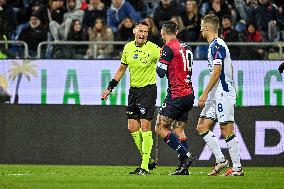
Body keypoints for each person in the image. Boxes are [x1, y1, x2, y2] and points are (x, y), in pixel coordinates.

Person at [101, 21, 160, 175]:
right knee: (132, 128)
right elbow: (122, 69)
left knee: (145, 127)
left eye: (145, 32)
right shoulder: (128, 47)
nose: (143, 34)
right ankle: (148, 160)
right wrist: (110, 88)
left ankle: (145, 166)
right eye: (140, 31)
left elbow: (168, 60)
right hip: (133, 91)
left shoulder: (154, 49)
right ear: (135, 31)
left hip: (148, 90)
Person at [197, 14, 243, 176]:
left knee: (226, 129)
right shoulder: (213, 46)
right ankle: (221, 160)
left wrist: (204, 93)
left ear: (208, 28)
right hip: (217, 94)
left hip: (223, 93)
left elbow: (216, 72)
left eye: (202, 26)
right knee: (202, 126)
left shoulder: (217, 45)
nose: (200, 28)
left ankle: (237, 168)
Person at [155, 20, 196, 175]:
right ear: (177, 32)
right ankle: (183, 168)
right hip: (189, 94)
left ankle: (186, 154)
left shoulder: (167, 48)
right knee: (179, 130)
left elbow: (160, 72)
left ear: (162, 33)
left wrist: (160, 59)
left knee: (160, 127)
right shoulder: (186, 47)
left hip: (177, 94)